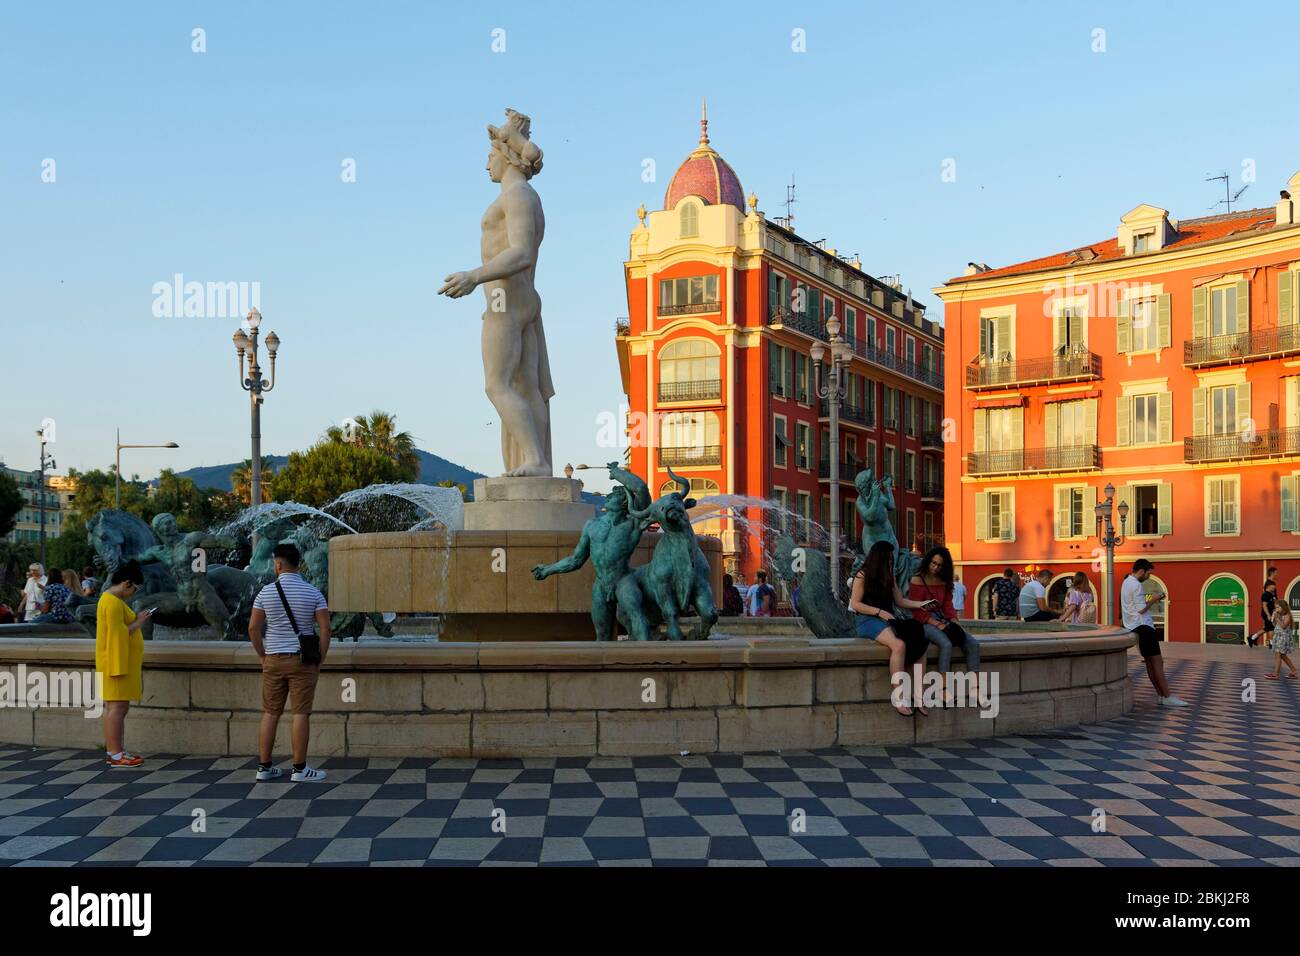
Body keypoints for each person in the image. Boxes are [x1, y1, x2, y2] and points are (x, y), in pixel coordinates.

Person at [248, 543, 331, 782]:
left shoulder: (265, 593)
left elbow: (253, 628)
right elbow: (325, 628)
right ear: (299, 564)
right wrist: (321, 658)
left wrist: (262, 655)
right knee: (301, 713)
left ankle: (264, 768)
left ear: (278, 564)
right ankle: (299, 769)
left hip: (273, 659)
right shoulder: (313, 592)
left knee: (270, 713)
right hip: (302, 660)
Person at [849, 540, 936, 716]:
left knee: (921, 644)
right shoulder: (862, 575)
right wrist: (879, 612)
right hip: (867, 620)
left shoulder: (890, 576)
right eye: (888, 560)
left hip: (887, 618)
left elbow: (900, 601)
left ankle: (919, 696)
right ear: (878, 558)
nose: (890, 563)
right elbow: (855, 604)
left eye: (891, 560)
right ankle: (899, 697)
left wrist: (922, 604)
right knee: (898, 645)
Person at [96, 560, 154, 767]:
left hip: (118, 663)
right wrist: (138, 622)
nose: (134, 593)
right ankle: (115, 754)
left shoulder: (111, 600)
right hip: (116, 664)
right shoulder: (111, 602)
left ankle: (116, 751)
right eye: (135, 588)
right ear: (127, 583)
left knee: (117, 708)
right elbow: (117, 635)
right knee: (117, 708)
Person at [909, 547, 981, 684]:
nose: (936, 567)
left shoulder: (944, 581)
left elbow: (948, 605)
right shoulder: (917, 580)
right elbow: (916, 610)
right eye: (933, 563)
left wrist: (954, 621)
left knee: (972, 644)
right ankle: (943, 686)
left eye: (940, 565)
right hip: (923, 621)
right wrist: (937, 624)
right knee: (946, 644)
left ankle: (975, 686)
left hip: (942, 618)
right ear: (928, 561)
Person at [1121, 559, 1187, 707]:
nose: (1149, 577)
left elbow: (1134, 605)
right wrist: (1155, 599)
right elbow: (1141, 609)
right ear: (1142, 571)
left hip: (1134, 625)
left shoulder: (1126, 582)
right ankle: (1167, 696)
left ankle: (1161, 695)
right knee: (1157, 662)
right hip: (1144, 626)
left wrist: (1148, 599)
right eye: (1149, 573)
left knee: (1150, 664)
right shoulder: (1136, 585)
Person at [1266, 601, 1298, 680]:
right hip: (1278, 637)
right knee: (1282, 655)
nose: (1276, 609)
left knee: (1278, 655)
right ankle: (1294, 671)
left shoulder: (1288, 615)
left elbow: (1283, 626)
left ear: (1284, 607)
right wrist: (1274, 619)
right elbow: (1275, 625)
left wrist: (1277, 618)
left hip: (1283, 638)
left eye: (1278, 607)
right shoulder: (1279, 615)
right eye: (1276, 607)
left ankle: (1276, 674)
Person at [1249, 576, 1279, 649]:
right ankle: (1272, 644)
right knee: (1271, 628)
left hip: (1272, 613)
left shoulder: (1272, 593)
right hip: (1266, 613)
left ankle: (1252, 638)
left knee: (1267, 628)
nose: (1274, 588)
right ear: (1268, 586)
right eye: (1273, 587)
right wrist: (1268, 615)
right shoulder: (1265, 594)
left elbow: (1275, 602)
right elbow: (1264, 606)